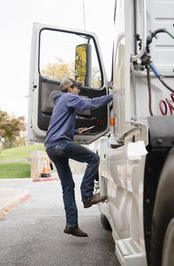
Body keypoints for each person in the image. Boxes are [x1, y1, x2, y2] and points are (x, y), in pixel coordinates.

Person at [45, 77, 113, 237]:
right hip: (60, 144)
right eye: (78, 88)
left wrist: (76, 132)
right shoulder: (69, 97)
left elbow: (58, 126)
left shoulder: (60, 102)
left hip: (50, 146)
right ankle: (87, 196)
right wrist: (114, 96)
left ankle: (71, 224)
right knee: (94, 159)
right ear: (69, 87)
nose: (79, 91)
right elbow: (91, 104)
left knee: (67, 186)